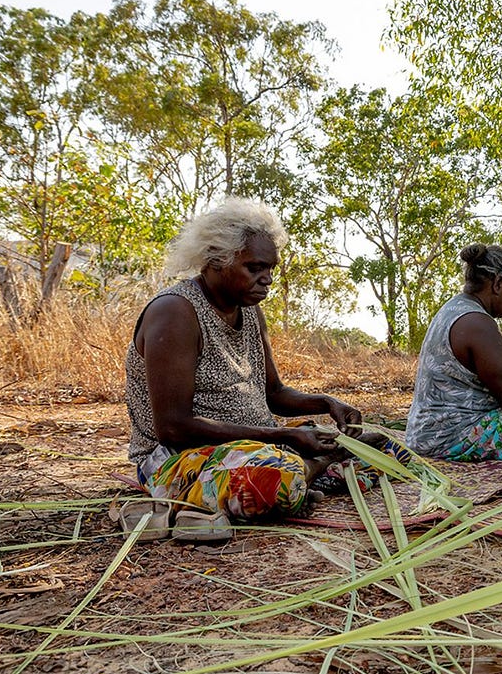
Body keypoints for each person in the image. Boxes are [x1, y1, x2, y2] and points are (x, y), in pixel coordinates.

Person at [124, 198, 365, 537]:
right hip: (179, 459)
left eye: (270, 270)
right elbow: (173, 428)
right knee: (273, 479)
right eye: (255, 268)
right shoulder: (175, 312)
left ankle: (302, 475)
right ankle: (310, 471)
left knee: (381, 446)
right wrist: (286, 436)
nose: (267, 280)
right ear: (216, 259)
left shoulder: (249, 311)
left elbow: (274, 393)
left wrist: (327, 403)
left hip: (258, 447)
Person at [405, 244, 502, 460]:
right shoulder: (479, 324)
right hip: (453, 438)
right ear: (498, 283)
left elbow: (483, 382)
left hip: (425, 435)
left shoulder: (453, 309)